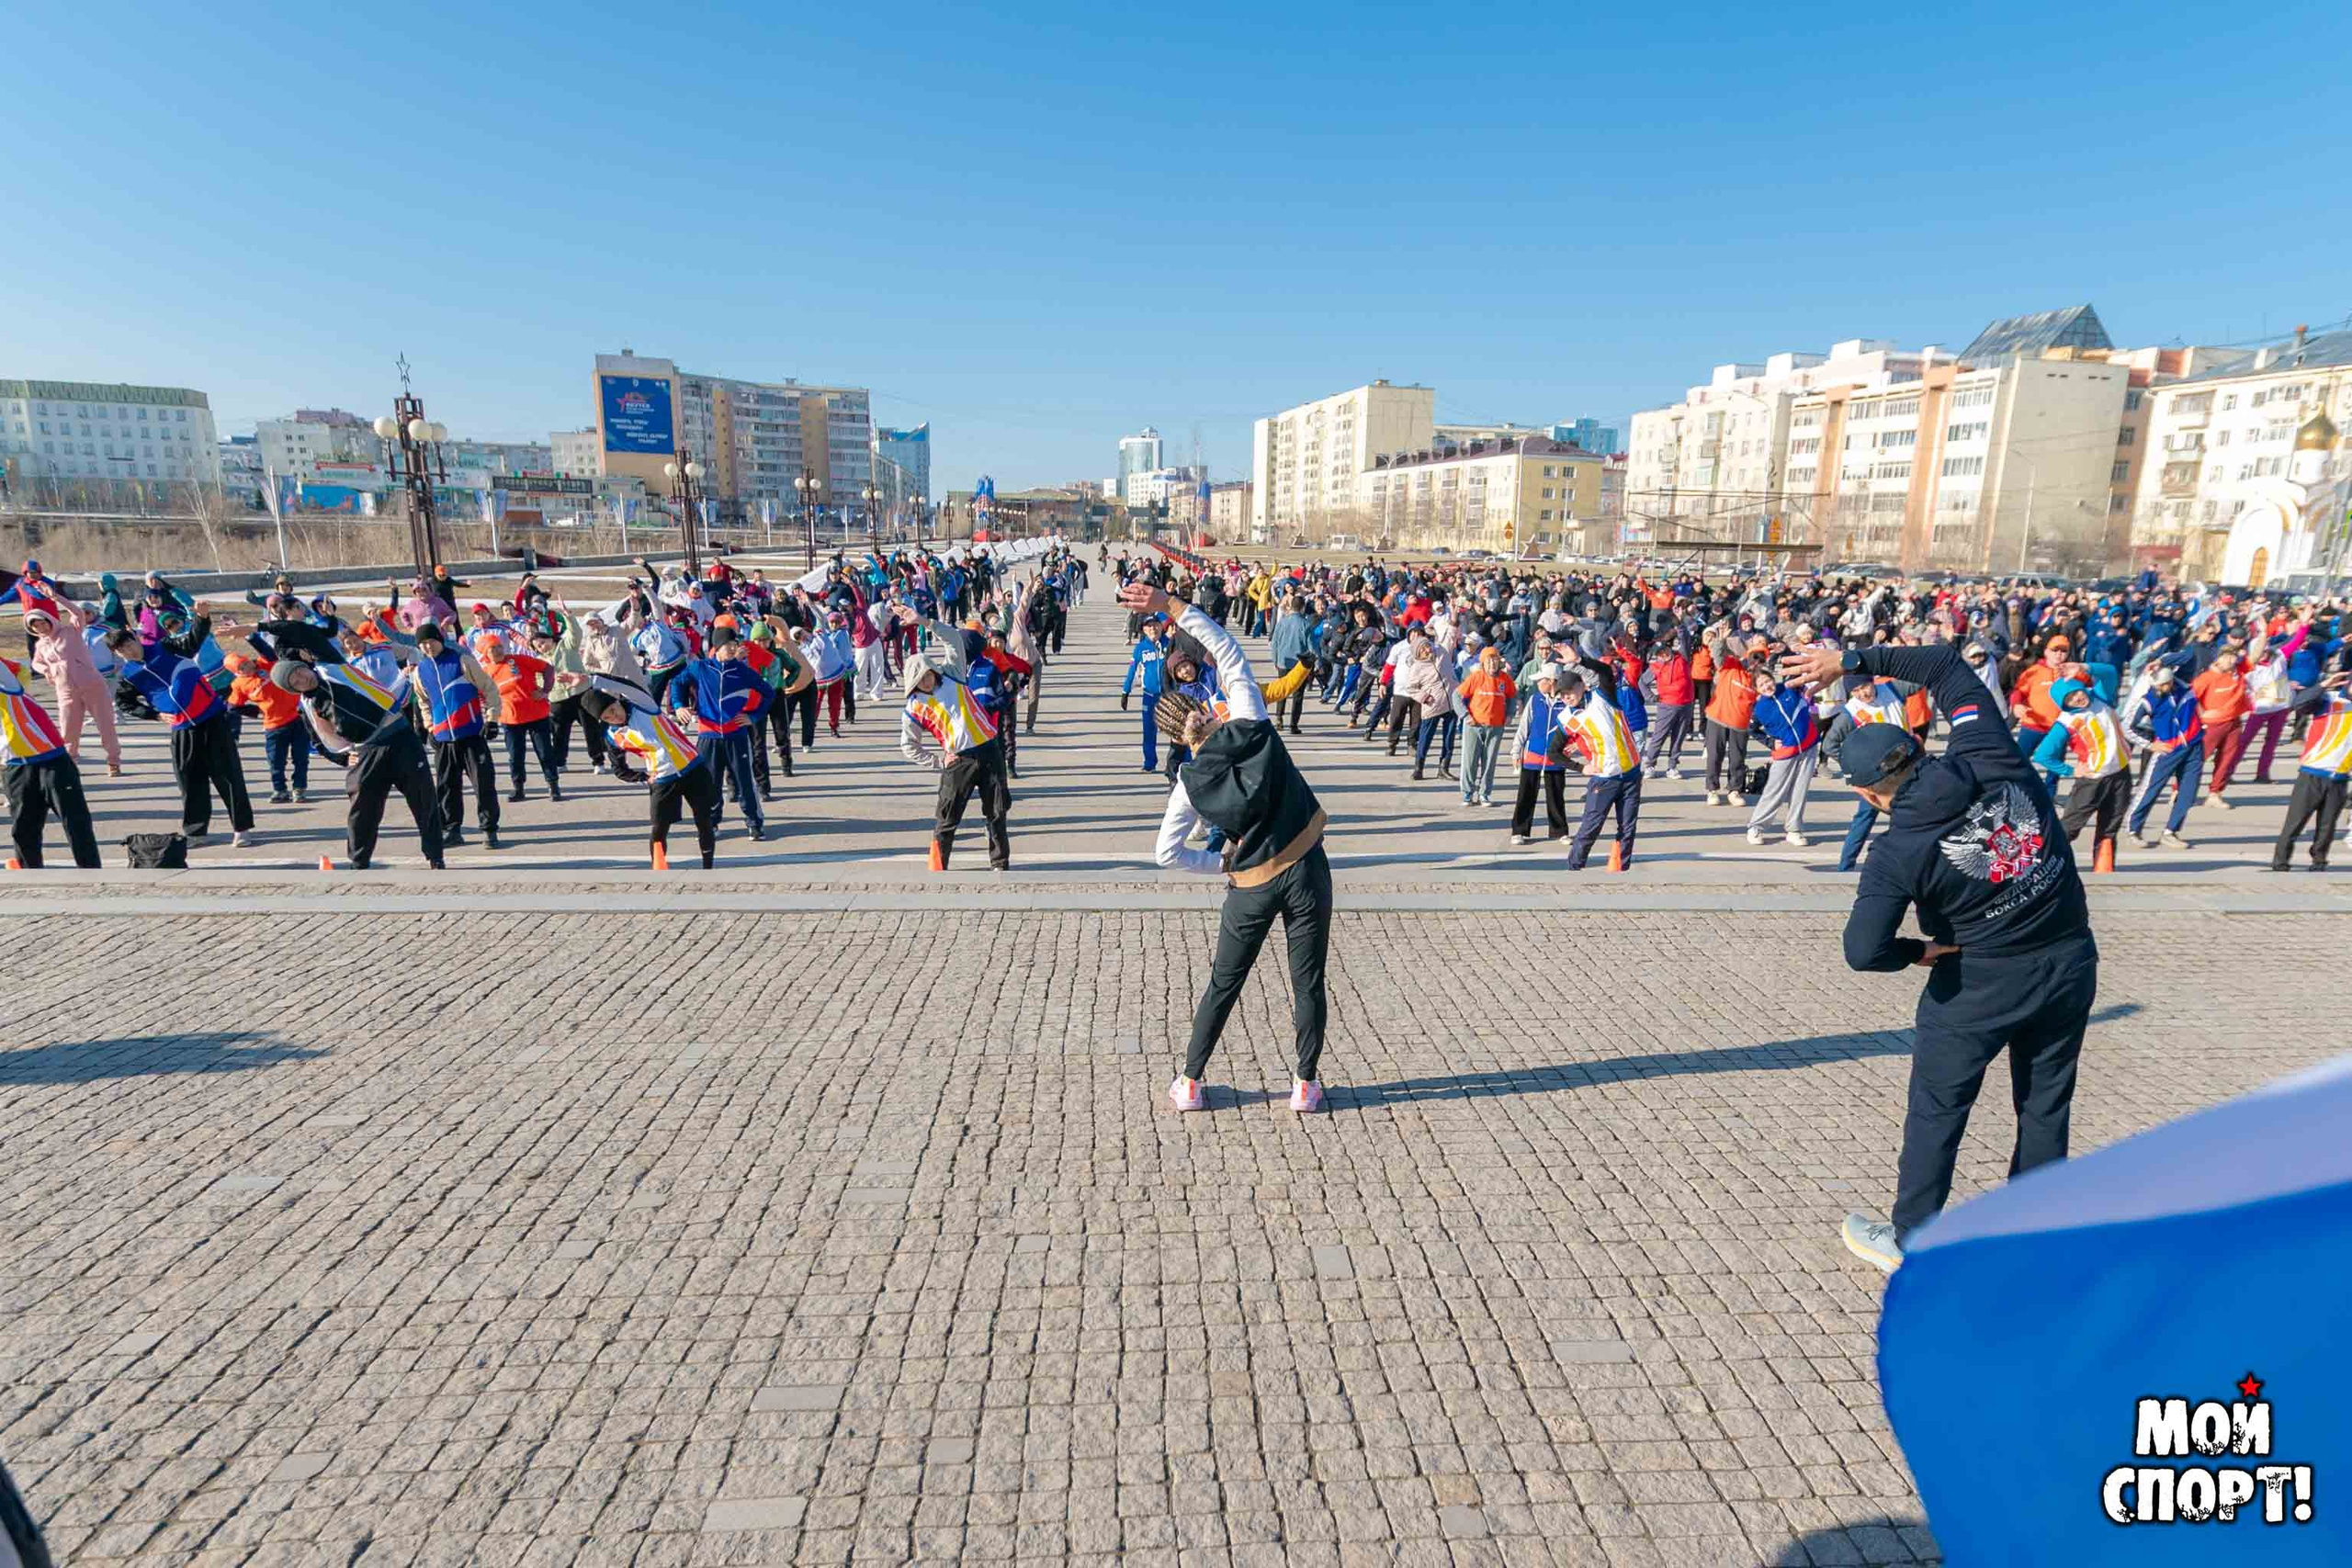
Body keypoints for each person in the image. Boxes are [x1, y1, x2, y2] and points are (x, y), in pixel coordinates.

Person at [1781, 637, 2097, 1276]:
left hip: (1976, 982)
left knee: (1938, 1110)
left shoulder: (1897, 853)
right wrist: (1849, 661)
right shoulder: (1987, 751)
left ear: (1870, 795)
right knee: (2044, 1102)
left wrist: (1919, 951)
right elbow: (1944, 665)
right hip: (2068, 959)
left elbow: (1861, 950)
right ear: (1919, 749)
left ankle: (1913, 1238)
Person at [1124, 578, 1332, 1116]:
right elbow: (1227, 649)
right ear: (1206, 710)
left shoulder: (1188, 784)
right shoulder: (1251, 720)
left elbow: (1165, 855)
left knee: (1224, 982)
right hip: (1307, 863)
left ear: (1175, 739)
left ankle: (1191, 1082)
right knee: (1307, 980)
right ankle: (1305, 1085)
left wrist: (1216, 861)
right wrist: (1170, 607)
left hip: (1251, 882)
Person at [271, 659, 446, 870]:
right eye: (295, 682)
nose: (302, 679)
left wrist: (264, 630)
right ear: (292, 689)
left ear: (306, 666)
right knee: (362, 807)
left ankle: (435, 856)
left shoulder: (335, 671)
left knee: (423, 800)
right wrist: (341, 758)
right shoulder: (309, 704)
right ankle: (359, 861)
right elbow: (318, 740)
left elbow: (321, 634)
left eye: (299, 672)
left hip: (401, 739)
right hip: (367, 750)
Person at [107, 624, 255, 848]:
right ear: (117, 654)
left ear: (136, 638)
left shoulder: (166, 647)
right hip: (181, 729)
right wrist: (153, 715)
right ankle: (195, 831)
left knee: (227, 775)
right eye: (122, 650)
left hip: (212, 718)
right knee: (189, 780)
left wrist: (201, 618)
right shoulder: (129, 675)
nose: (129, 651)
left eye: (129, 643)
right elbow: (123, 702)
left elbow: (193, 640)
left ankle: (241, 828)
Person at [895, 603, 1012, 872]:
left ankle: (1000, 862)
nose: (926, 680)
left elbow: (952, 639)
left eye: (928, 673)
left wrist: (922, 621)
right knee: (947, 816)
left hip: (989, 749)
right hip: (958, 760)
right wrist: (938, 761)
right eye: (920, 678)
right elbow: (908, 745)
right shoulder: (914, 707)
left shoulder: (953, 674)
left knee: (996, 810)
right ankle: (938, 866)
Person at [590, 675, 718, 870]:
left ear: (617, 701)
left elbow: (629, 686)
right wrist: (643, 777)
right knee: (659, 828)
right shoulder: (612, 735)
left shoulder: (644, 705)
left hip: (693, 768)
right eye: (607, 717)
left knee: (703, 819)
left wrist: (593, 679)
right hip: (663, 779)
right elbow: (619, 769)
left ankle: (708, 866)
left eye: (613, 710)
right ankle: (658, 868)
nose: (614, 717)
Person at [0, 652, 100, 867]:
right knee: (24, 829)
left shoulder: (8, 687)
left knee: (75, 822)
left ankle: (91, 871)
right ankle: (30, 875)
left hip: (53, 762)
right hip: (16, 768)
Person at [410, 622, 501, 849]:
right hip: (443, 740)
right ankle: (452, 830)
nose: (428, 647)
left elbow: (489, 688)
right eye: (423, 644)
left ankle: (489, 830)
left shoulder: (462, 661)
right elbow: (423, 702)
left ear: (440, 640)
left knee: (483, 785)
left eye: (431, 641)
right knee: (446, 787)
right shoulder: (420, 671)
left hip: (471, 734)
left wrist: (491, 720)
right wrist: (430, 727)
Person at [2032, 669, 2132, 873]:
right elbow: (2043, 755)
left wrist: (2083, 667)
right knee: (2070, 828)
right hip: (2092, 780)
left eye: (2077, 692)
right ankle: (2041, 867)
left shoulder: (2100, 697)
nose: (2077, 698)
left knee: (2110, 828)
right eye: (2070, 699)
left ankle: (2104, 870)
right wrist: (2070, 771)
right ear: (2064, 704)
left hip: (2121, 774)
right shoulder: (2066, 722)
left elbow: (2111, 672)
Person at [2267, 660, 2352, 872]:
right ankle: (2281, 860)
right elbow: (2300, 704)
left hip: (2340, 777)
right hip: (2312, 772)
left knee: (2327, 826)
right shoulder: (2329, 700)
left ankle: (2319, 860)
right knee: (2295, 821)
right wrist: (2323, 685)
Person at [1507, 664, 1575, 845]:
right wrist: (1516, 750)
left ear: (1552, 682)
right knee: (1525, 795)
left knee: (1556, 795)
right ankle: (1519, 830)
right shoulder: (1535, 700)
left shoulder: (1567, 703)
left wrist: (1574, 746)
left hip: (1556, 758)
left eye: (1541, 680)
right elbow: (1524, 727)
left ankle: (1560, 830)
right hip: (1533, 755)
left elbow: (1578, 729)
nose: (1537, 683)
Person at [1455, 644, 1516, 808]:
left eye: (1495, 660)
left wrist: (1510, 714)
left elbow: (1512, 697)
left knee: (1489, 762)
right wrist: (1465, 716)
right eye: (1489, 661)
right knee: (1470, 760)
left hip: (1496, 726)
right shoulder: (1476, 677)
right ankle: (1468, 793)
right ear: (1482, 663)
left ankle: (1484, 794)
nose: (1492, 664)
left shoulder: (1505, 679)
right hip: (1474, 725)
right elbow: (1457, 696)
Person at [1121, 615, 1170, 773]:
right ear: (1144, 629)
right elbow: (1132, 670)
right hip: (1150, 695)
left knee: (1177, 729)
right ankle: (1149, 762)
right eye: (1149, 627)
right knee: (1149, 730)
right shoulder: (1140, 648)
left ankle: (1183, 761)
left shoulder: (1170, 644)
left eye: (1156, 625)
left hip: (1169, 694)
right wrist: (1125, 691)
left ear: (1161, 627)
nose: (1153, 629)